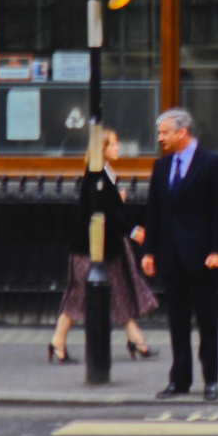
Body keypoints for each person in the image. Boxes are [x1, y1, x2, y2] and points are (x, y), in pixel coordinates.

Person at [141, 108, 218, 401]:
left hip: (204, 256)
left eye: (164, 133)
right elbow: (154, 211)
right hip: (171, 256)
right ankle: (179, 380)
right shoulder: (161, 168)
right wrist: (149, 251)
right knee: (177, 322)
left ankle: (211, 381)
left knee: (207, 322)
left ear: (182, 132)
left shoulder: (212, 164)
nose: (160, 138)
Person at [48, 127, 157, 364]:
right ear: (102, 149)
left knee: (119, 289)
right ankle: (58, 341)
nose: (118, 148)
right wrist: (132, 228)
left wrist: (119, 201)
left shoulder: (105, 173)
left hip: (107, 245)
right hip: (90, 248)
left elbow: (108, 207)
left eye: (117, 144)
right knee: (79, 295)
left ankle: (136, 339)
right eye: (113, 144)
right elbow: (104, 210)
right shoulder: (95, 175)